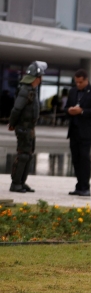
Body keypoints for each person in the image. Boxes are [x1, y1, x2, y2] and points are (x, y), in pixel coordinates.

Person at [7, 60, 45, 193]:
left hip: (29, 128)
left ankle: (21, 182)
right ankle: (16, 183)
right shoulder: (25, 90)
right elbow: (16, 109)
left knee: (28, 155)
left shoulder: (31, 90)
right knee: (23, 155)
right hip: (24, 127)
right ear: (37, 77)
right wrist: (12, 123)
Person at [67, 69, 91, 197]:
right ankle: (79, 185)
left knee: (84, 157)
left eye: (80, 82)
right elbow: (67, 107)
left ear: (86, 80)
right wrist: (70, 110)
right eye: (76, 82)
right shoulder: (72, 92)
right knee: (75, 158)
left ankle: (85, 187)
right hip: (74, 130)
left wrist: (82, 111)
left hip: (87, 131)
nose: (78, 84)